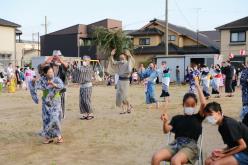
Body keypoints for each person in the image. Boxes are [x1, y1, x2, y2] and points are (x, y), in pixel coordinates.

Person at [151, 79, 206, 165]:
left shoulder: (198, 117)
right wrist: (165, 122)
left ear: (195, 105)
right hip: (176, 144)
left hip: (190, 146)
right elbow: (166, 130)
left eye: (192, 105)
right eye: (187, 105)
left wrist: (198, 86)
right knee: (156, 157)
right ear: (183, 104)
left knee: (175, 160)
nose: (190, 107)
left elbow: (203, 104)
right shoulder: (177, 118)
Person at [29, 66, 64, 144]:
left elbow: (62, 86)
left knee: (55, 118)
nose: (51, 73)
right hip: (46, 102)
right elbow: (33, 84)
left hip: (55, 101)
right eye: (49, 72)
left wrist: (54, 84)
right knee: (46, 119)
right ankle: (48, 137)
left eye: (52, 72)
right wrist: (33, 81)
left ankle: (59, 136)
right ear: (45, 73)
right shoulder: (42, 80)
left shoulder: (57, 79)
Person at [39, 50, 69, 119]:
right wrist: (45, 62)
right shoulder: (49, 65)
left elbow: (68, 67)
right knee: (51, 103)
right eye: (55, 57)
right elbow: (40, 69)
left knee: (62, 102)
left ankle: (61, 117)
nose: (56, 58)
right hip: (51, 88)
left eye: (58, 56)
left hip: (61, 88)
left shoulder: (63, 65)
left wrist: (61, 61)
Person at [107, 49, 135, 114]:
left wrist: (130, 55)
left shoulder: (128, 62)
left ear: (125, 58)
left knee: (125, 96)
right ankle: (124, 110)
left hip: (125, 81)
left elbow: (131, 64)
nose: (121, 59)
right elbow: (113, 62)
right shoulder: (119, 63)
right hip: (120, 80)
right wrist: (111, 55)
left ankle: (129, 106)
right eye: (120, 58)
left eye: (122, 58)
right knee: (119, 95)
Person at [73, 56, 95, 120]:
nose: (84, 61)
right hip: (82, 86)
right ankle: (85, 113)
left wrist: (76, 65)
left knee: (86, 100)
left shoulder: (90, 67)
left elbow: (81, 70)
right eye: (83, 60)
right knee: (81, 101)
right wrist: (74, 66)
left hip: (87, 86)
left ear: (89, 61)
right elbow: (77, 72)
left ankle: (90, 113)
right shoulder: (82, 67)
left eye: (86, 60)